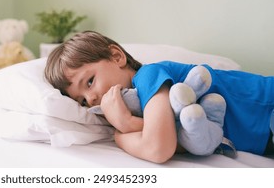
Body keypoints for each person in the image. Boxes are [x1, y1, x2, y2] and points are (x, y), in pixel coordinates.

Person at [44, 30, 274, 163]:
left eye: (90, 81)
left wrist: (122, 127)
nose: (91, 99)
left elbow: (158, 148)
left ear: (116, 56)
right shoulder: (135, 108)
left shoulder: (148, 75)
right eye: (82, 100)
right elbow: (176, 141)